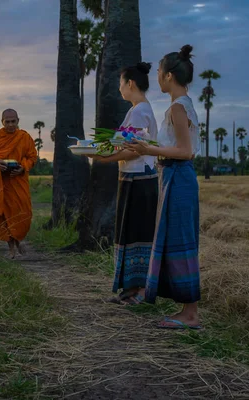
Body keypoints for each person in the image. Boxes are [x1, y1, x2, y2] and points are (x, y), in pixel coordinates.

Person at [124, 45, 202, 329]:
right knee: (177, 240)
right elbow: (177, 147)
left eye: (158, 71)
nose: (156, 76)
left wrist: (149, 149)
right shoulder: (181, 105)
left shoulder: (178, 108)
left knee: (182, 241)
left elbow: (185, 151)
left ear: (168, 76)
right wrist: (148, 146)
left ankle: (191, 314)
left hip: (179, 176)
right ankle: (186, 309)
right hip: (175, 176)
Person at [87, 62, 159, 305]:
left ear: (130, 83)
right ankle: (132, 290)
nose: (119, 89)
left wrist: (104, 158)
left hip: (139, 178)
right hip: (136, 178)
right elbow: (129, 147)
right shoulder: (139, 109)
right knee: (132, 231)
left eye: (120, 84)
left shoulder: (139, 111)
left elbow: (134, 151)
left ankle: (138, 292)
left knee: (136, 231)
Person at [0, 109, 38, 259]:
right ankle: (11, 248)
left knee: (23, 214)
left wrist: (23, 167)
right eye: (7, 122)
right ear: (2, 122)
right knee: (4, 216)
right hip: (1, 184)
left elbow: (32, 157)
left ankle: (18, 240)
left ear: (18, 121)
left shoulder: (25, 137)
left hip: (18, 182)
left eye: (13, 121)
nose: (10, 125)